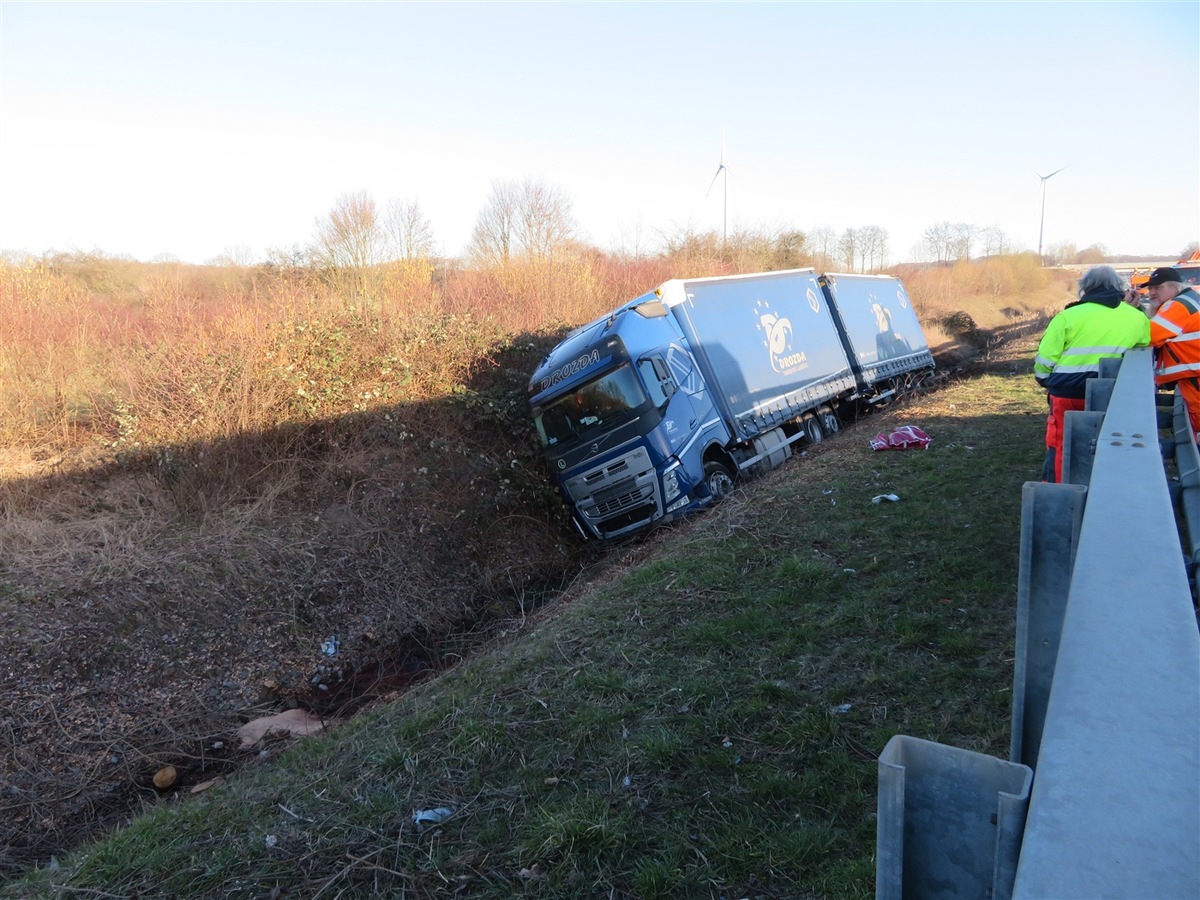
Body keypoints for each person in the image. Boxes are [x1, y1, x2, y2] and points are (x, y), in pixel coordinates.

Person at [1034, 265, 1150, 482]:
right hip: (1112, 392)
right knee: (1108, 441)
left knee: (1061, 443)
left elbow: (1045, 358)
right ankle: (1104, 485)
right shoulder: (1136, 317)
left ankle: (1059, 490)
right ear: (1119, 287)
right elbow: (1143, 345)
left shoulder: (1068, 316)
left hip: (1067, 392)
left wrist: (1045, 380)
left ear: (1085, 288)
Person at [1144, 266, 1200, 438]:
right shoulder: (1188, 300)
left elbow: (1148, 335)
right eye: (1150, 288)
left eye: (1158, 288)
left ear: (1175, 288)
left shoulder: (1178, 306)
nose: (1152, 293)